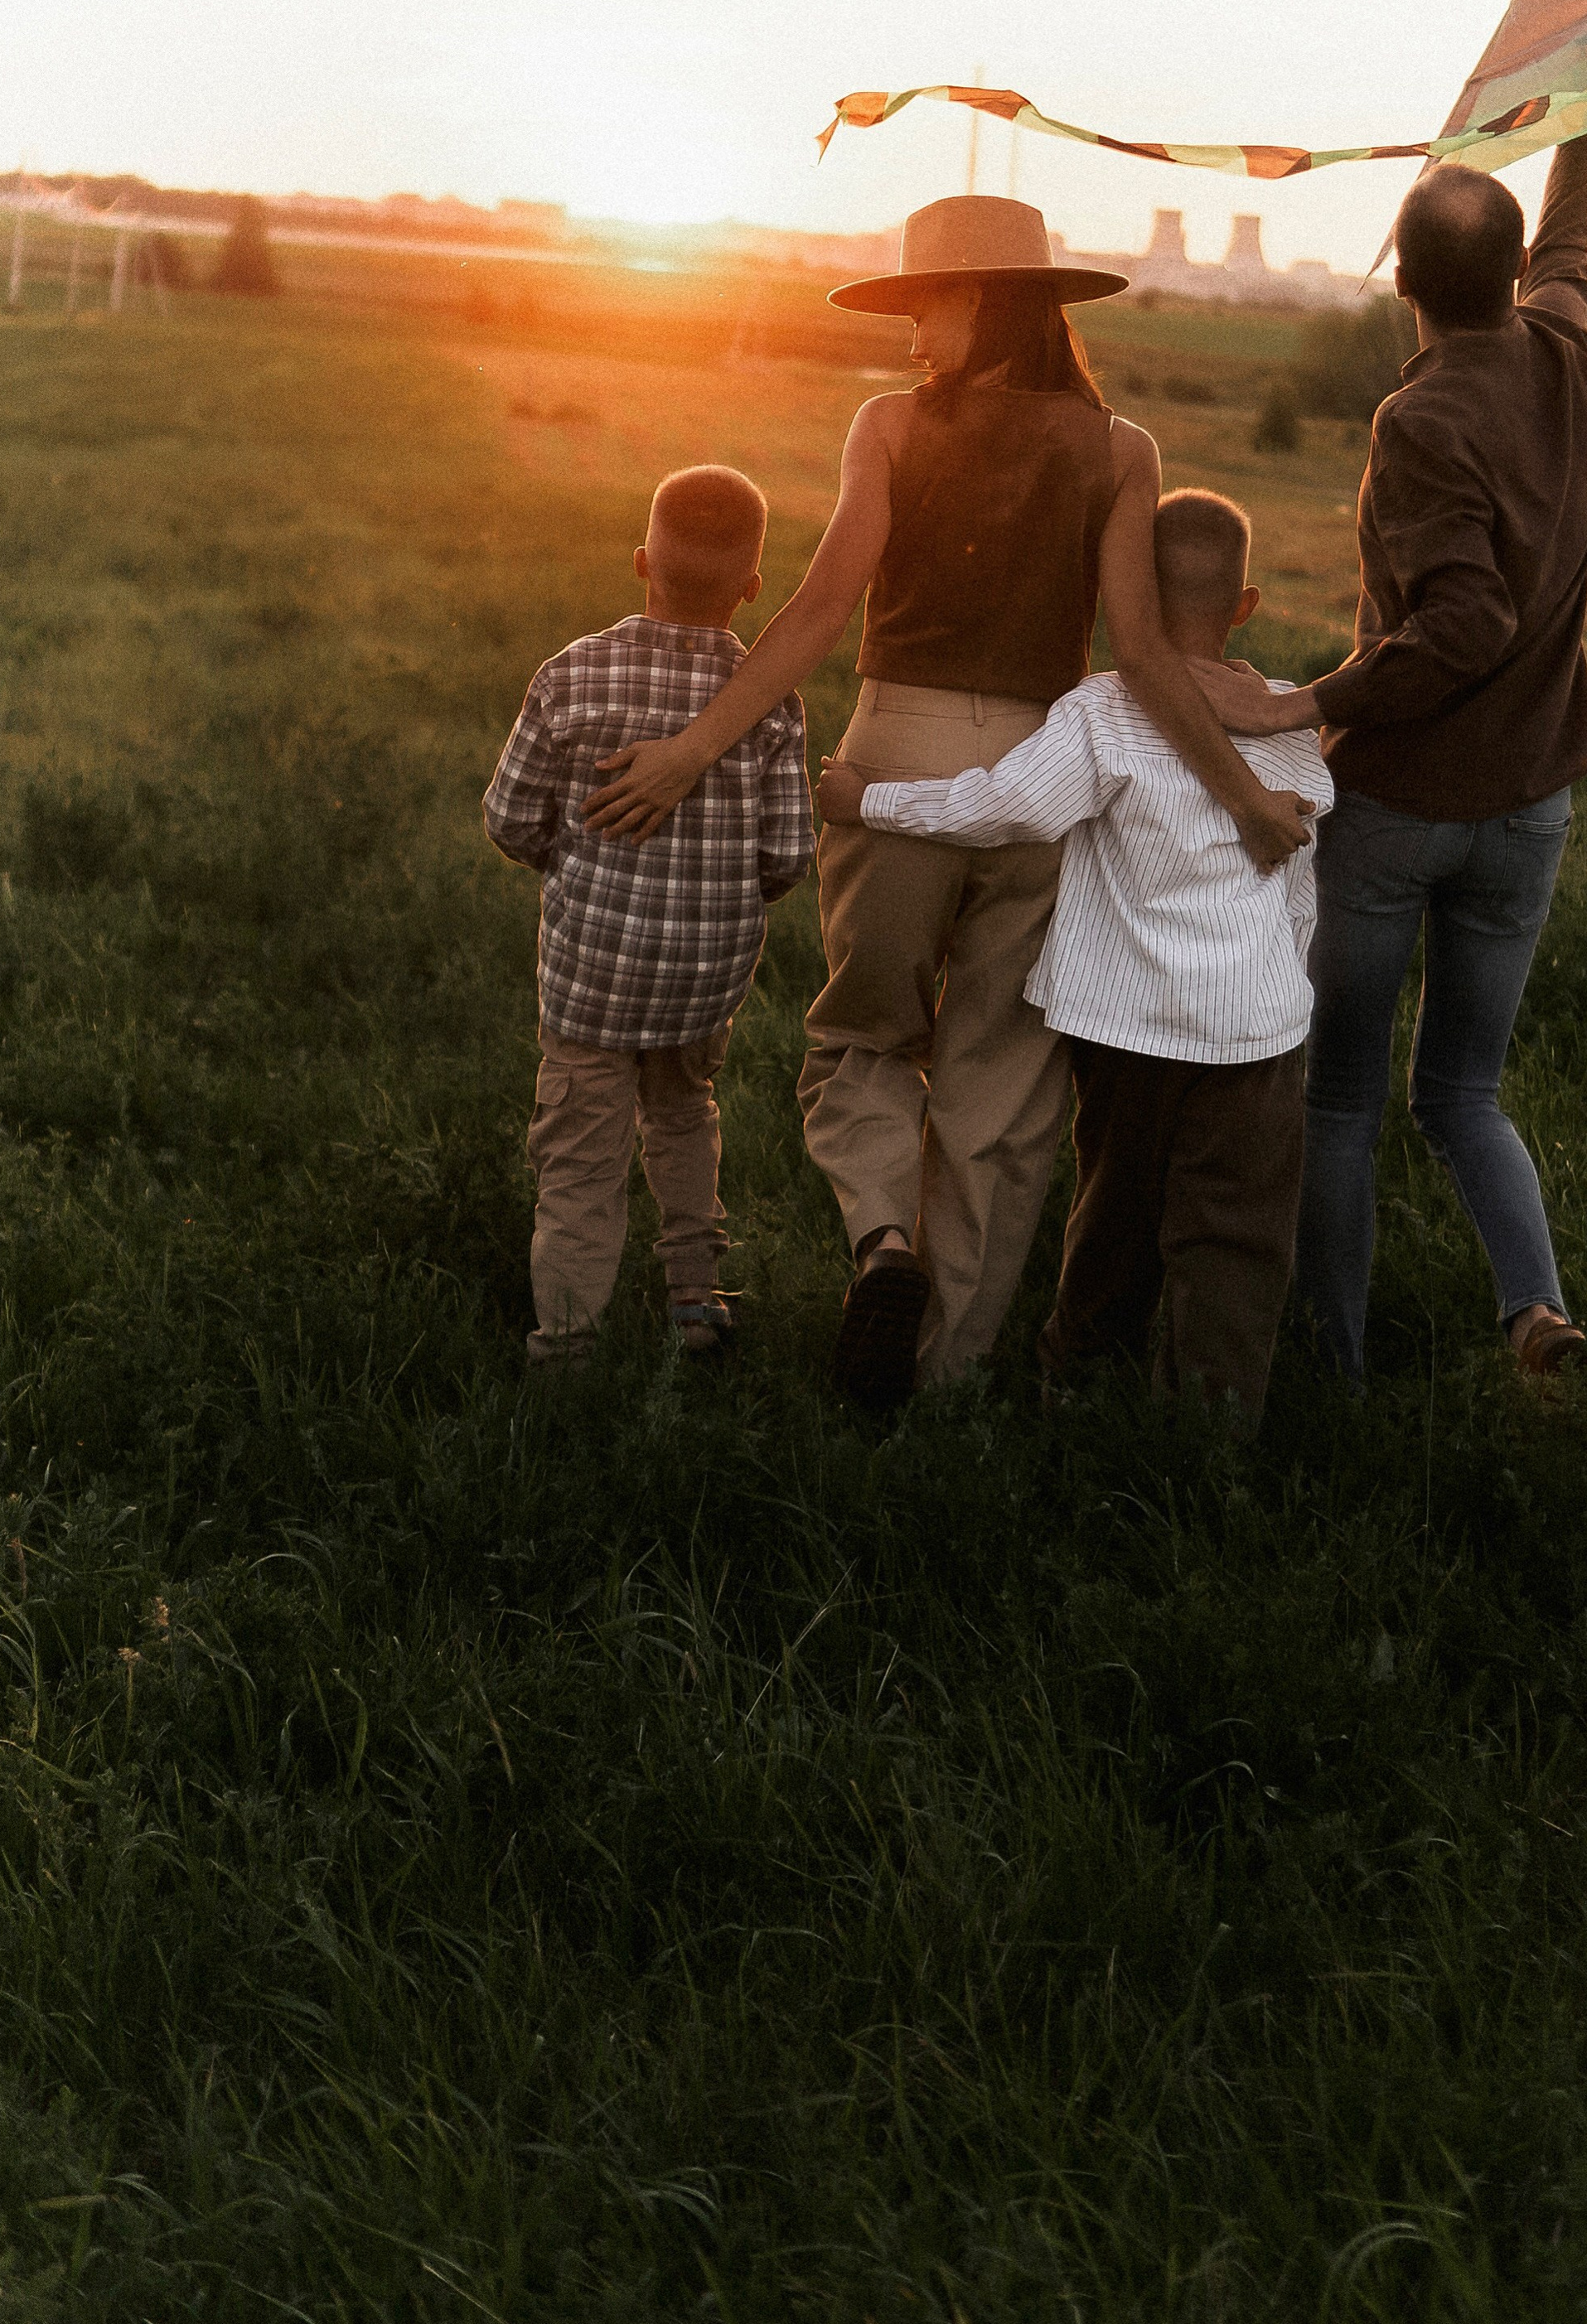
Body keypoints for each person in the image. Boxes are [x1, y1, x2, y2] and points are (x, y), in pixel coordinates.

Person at [579, 196, 1314, 1411]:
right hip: (1042, 777)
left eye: (926, 308)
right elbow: (1140, 651)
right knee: (1002, 1084)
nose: (913, 337)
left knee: (860, 1037)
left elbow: (817, 612)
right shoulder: (1122, 448)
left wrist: (691, 751)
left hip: (895, 761)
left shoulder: (890, 428)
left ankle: (884, 1243)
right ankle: (944, 1372)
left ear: (987, 298)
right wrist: (1240, 796)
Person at [1193, 132, 1587, 1385]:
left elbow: (1464, 623)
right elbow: (1576, 227)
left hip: (1402, 805)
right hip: (1530, 806)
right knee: (1465, 1094)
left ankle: (1337, 1369)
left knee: (1341, 1100)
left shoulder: (1420, 416)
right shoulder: (1569, 353)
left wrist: (1302, 702)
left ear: (1404, 282)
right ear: (1519, 271)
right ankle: (1534, 1313)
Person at [818, 489, 1331, 1429]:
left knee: (1115, 1212)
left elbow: (1004, 806)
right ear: (1245, 605)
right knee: (1238, 1240)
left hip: (1131, 1031)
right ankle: (1212, 1427)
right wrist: (1280, 983)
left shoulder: (1103, 711)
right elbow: (1301, 887)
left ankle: (1079, 1393)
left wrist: (870, 801)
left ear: (1121, 594)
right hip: (1259, 1033)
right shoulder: (1287, 722)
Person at [482, 465, 813, 1365]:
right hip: (704, 979)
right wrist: (719, 893)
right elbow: (788, 853)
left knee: (580, 1160)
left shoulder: (571, 675)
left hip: (592, 971)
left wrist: (573, 862)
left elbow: (510, 818)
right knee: (684, 1112)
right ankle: (695, 1303)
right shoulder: (769, 700)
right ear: (752, 586)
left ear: (641, 562)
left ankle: (567, 1345)